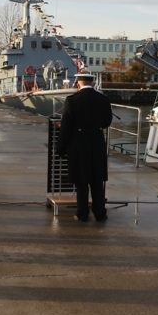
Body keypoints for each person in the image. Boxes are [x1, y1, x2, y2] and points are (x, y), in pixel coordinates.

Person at [55, 73, 114, 222]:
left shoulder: (72, 100)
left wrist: (60, 148)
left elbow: (66, 126)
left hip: (78, 144)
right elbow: (107, 121)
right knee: (97, 180)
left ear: (78, 84)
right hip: (97, 142)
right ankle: (100, 213)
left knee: (82, 180)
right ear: (93, 84)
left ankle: (82, 213)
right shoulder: (103, 99)